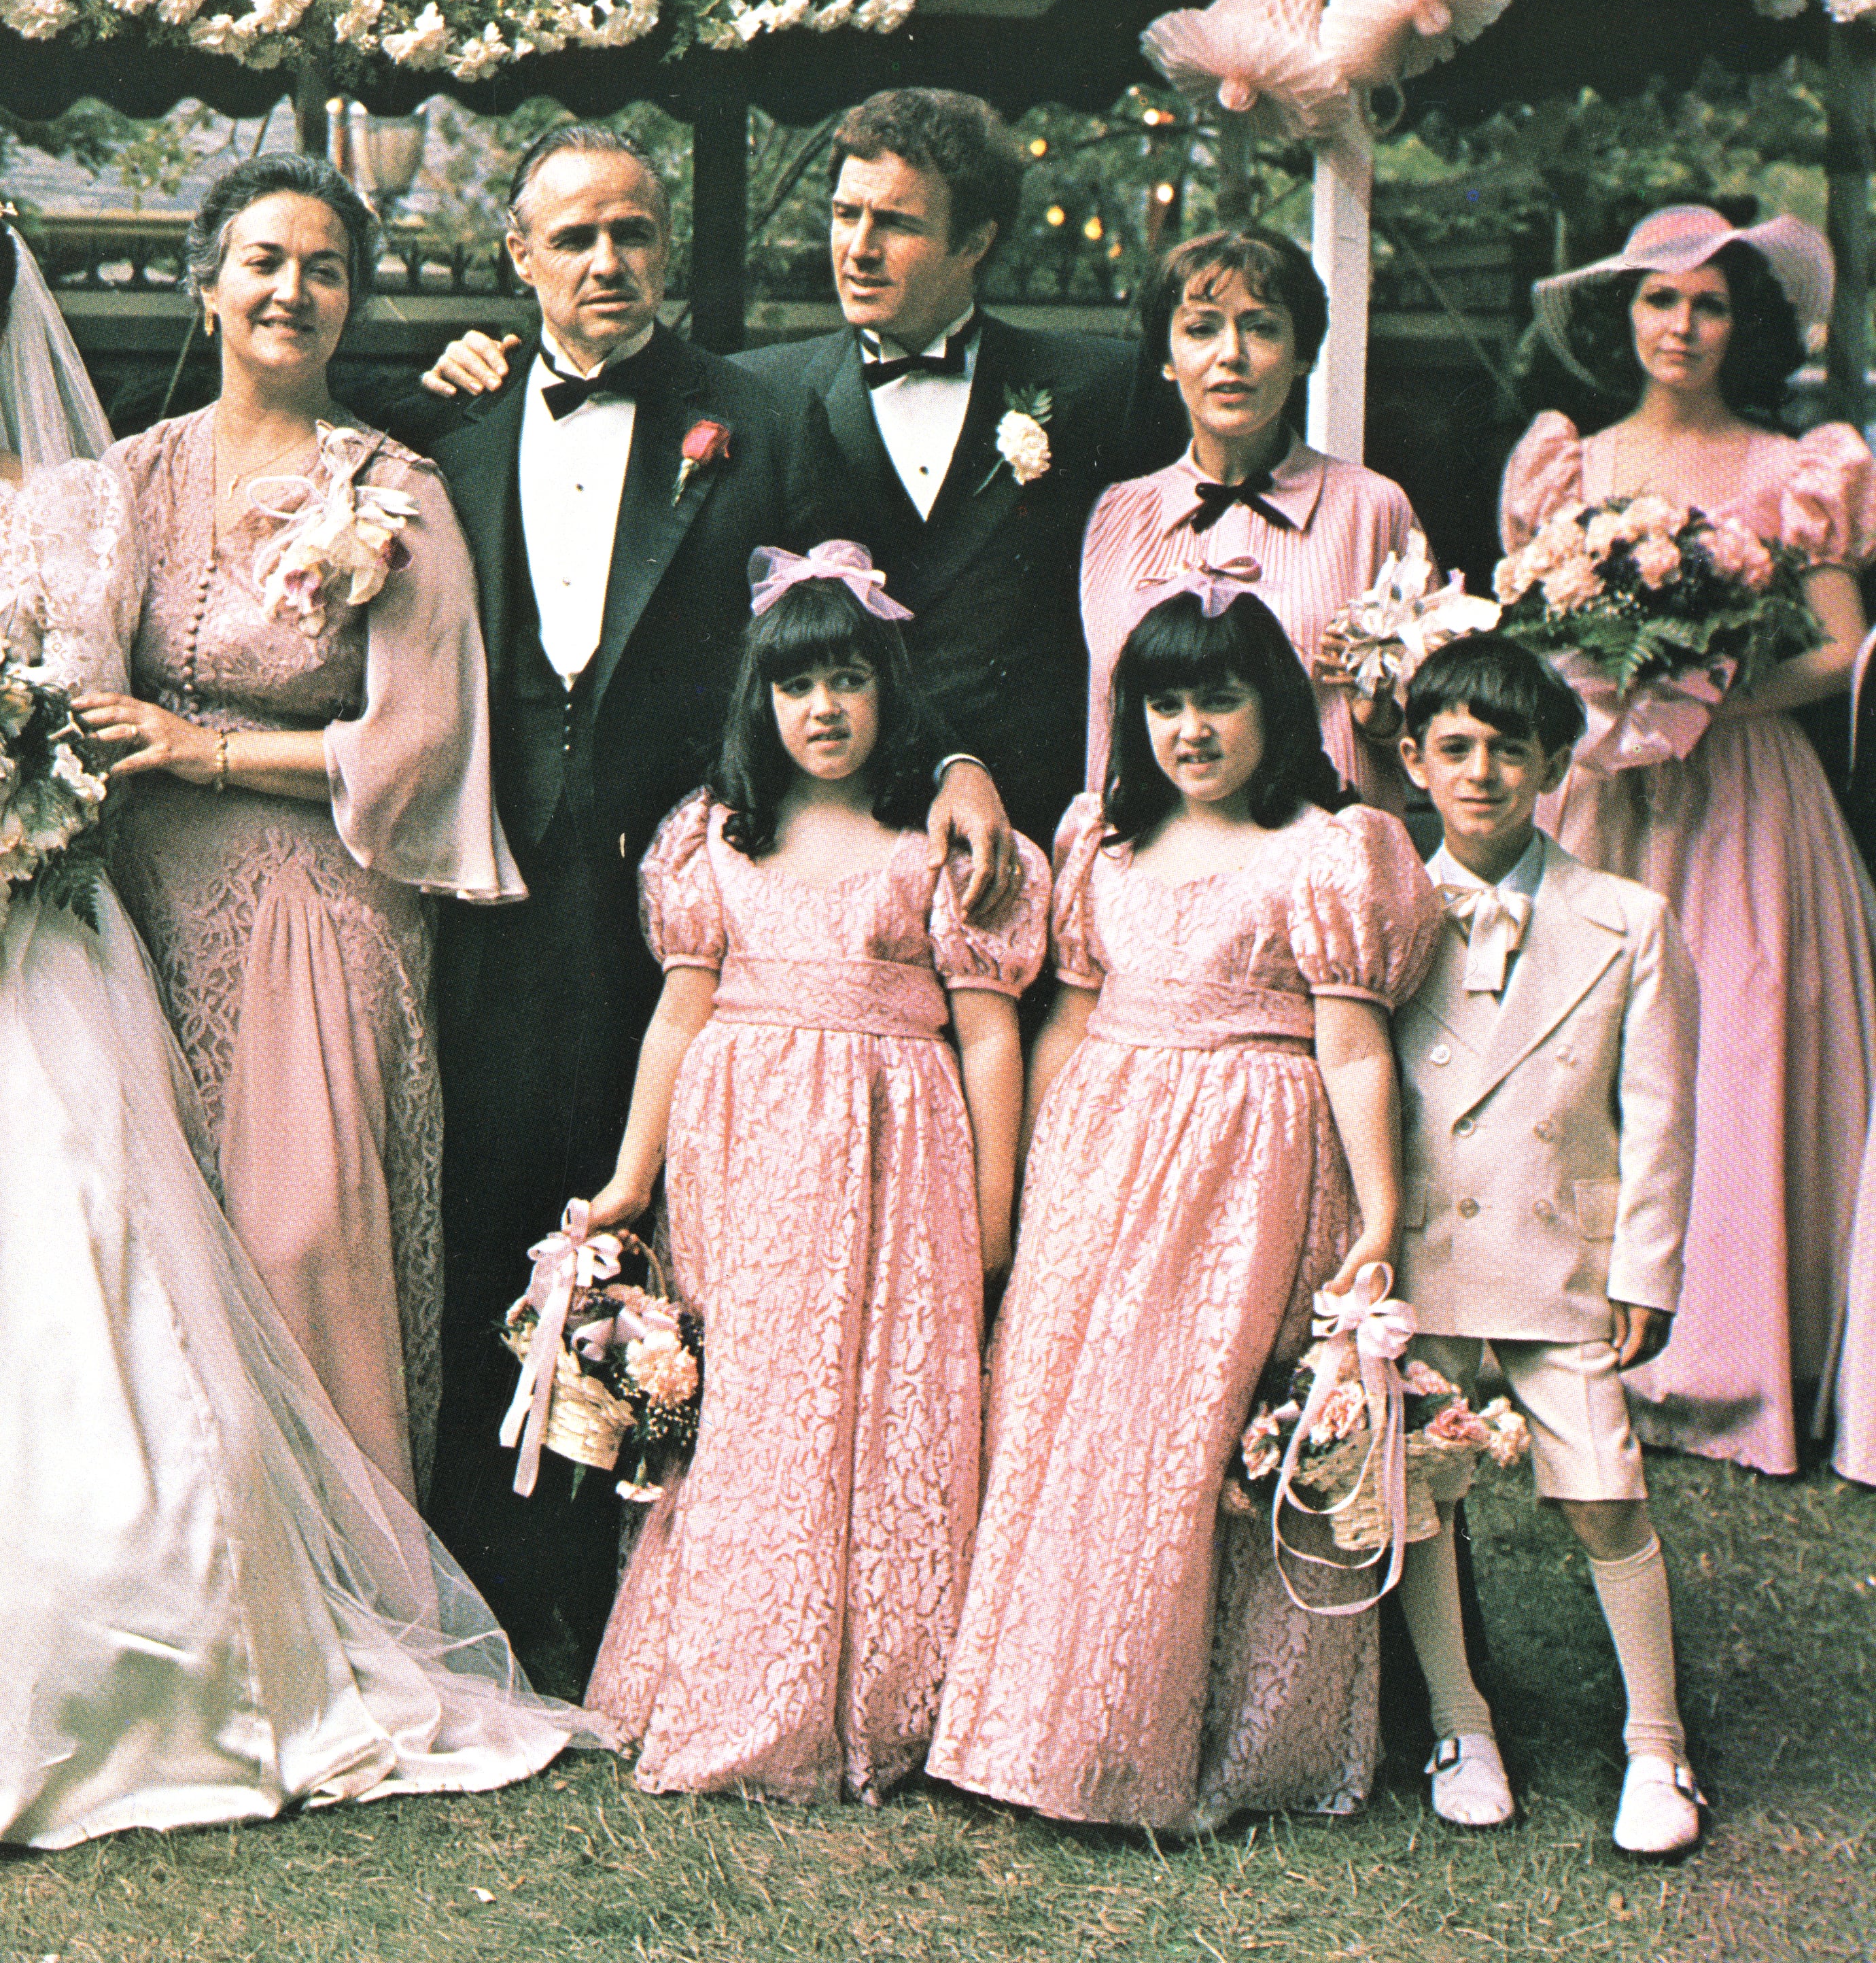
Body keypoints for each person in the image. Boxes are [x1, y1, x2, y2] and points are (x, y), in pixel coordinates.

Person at [0, 173, 586, 1845]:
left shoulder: (86, 505)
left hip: (55, 938)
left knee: (127, 1276)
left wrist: (2, 796)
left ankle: (177, 1625)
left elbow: (92, 705)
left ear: (2, 326)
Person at [412, 123, 1012, 1680]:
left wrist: (943, 752)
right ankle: (492, 1557)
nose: (607, 262)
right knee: (499, 1210)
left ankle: (644, 1571)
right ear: (518, 259)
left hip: (682, 887)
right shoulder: (452, 426)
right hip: (493, 886)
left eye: (633, 233)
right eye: (575, 238)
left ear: (664, 250)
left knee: (674, 1232)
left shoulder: (751, 418)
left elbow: (861, 618)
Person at [928, 587, 1442, 1832]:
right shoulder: (1105, 843)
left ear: (1275, 707)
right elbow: (1068, 1021)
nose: (1193, 730)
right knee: (1070, 1424)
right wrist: (1033, 1178)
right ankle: (1041, 1719)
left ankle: (1188, 1736)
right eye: (1165, 704)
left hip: (1246, 1166)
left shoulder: (1329, 847)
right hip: (1101, 1154)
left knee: (1186, 1434)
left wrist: (1379, 1213)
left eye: (1221, 700)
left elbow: (1356, 1045)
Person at [581, 546, 1043, 1802]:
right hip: (748, 1160)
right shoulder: (716, 839)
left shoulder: (933, 846)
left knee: (889, 1401)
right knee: (757, 1401)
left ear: (889, 690)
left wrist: (996, 1216)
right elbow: (678, 1015)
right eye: (797, 686)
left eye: (848, 680)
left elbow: (991, 1032)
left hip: (904, 1155)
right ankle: (737, 1676)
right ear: (761, 701)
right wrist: (632, 1177)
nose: (824, 709)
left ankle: (890, 1692)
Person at [90, 153, 520, 1497]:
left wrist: (206, 752)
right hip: (139, 911)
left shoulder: (394, 486)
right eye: (263, 261)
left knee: (298, 1237)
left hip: (316, 910)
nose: (291, 289)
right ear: (203, 286)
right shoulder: (127, 476)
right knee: (146, 1244)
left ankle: (328, 1582)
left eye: (324, 269)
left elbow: (422, 737)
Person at [1500, 205, 1876, 1479]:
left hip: (1744, 799)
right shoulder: (1570, 466)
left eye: (1710, 305)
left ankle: (1728, 1362)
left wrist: (1706, 699)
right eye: (1660, 301)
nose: (1683, 326)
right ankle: (1555, 1340)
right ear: (1623, 319)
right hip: (1601, 792)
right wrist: (1611, 708)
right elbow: (1525, 640)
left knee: (1738, 1042)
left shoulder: (1793, 465)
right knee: (1582, 1049)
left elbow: (1838, 649)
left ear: (1741, 325)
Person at [1386, 634, 1702, 1858]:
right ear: (1412, 760)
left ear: (1549, 767)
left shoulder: (1627, 920)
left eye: (1507, 749)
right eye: (1453, 748)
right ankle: (1461, 1724)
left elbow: (1660, 1109)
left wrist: (1645, 1269)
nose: (1480, 773)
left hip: (1561, 1263)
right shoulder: (1381, 907)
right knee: (1420, 1489)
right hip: (1421, 1266)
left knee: (1606, 1493)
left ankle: (1657, 1742)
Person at [744, 88, 1143, 847]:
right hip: (830, 838)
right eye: (843, 214)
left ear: (975, 242)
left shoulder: (1097, 392)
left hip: (1032, 824)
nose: (857, 248)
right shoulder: (758, 393)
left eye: (895, 223)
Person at [1080, 226, 1423, 808]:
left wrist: (1383, 715)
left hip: (1324, 867)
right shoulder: (1119, 513)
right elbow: (1106, 730)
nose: (1231, 353)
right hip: (1161, 867)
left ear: (1303, 355)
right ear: (1167, 358)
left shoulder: (1373, 508)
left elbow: (1439, 739)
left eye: (1262, 327)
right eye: (1201, 329)